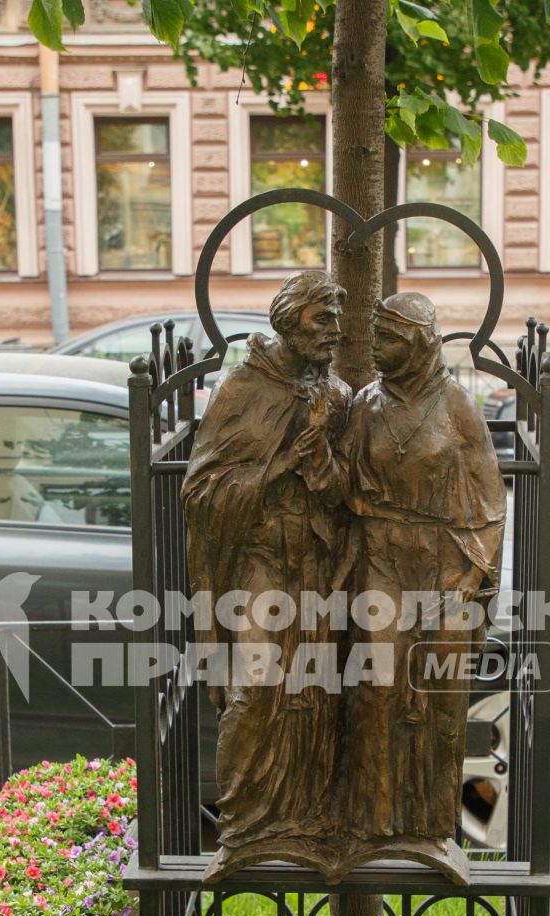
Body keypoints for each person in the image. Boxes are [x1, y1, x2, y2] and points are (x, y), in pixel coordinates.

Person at [183, 270, 351, 878]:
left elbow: (348, 497)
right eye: (322, 319)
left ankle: (306, 820)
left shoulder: (340, 396)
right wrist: (277, 471)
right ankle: (243, 825)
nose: (334, 332)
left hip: (316, 560)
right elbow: (201, 489)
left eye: (338, 319)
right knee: (255, 690)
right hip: (257, 560)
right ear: (289, 320)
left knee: (315, 691)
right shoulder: (243, 387)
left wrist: (323, 465)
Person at [338, 292, 505, 882]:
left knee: (437, 698)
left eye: (388, 340)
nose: (376, 351)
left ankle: (432, 829)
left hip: (443, 567)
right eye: (375, 339)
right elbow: (341, 488)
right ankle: (373, 825)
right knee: (377, 689)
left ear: (420, 342)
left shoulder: (456, 405)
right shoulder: (365, 405)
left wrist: (469, 579)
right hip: (381, 562)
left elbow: (489, 504)